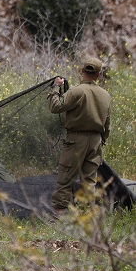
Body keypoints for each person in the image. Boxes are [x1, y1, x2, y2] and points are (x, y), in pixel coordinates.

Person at [46, 56, 111, 213]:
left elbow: (55, 107)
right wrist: (102, 140)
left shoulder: (76, 91)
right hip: (96, 141)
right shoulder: (105, 95)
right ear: (98, 75)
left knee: (65, 178)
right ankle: (85, 218)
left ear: (82, 71)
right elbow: (107, 124)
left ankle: (58, 217)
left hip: (76, 140)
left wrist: (55, 87)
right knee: (89, 181)